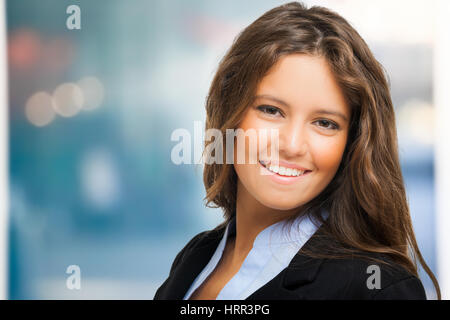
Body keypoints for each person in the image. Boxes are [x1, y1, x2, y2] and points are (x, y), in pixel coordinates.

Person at [154, 1, 440, 300]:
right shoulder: (196, 257)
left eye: (325, 123)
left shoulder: (377, 286)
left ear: (351, 143)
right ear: (230, 112)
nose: (291, 145)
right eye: (271, 110)